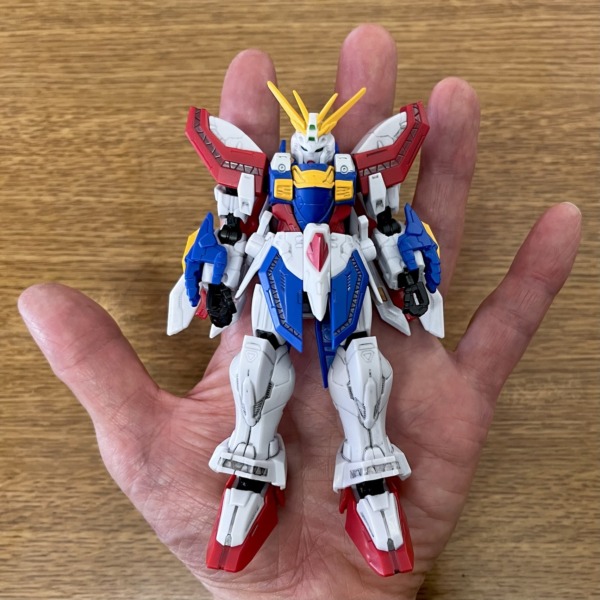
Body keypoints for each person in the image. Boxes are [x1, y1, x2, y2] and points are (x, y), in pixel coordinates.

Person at [18, 24, 581, 600]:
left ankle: (370, 478)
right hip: (281, 263)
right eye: (304, 145)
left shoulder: (355, 176)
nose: (313, 151)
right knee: (256, 365)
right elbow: (232, 229)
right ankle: (249, 473)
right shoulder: (267, 175)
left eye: (322, 146)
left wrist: (409, 277)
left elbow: (386, 223)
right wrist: (218, 286)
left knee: (364, 369)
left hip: (346, 264)